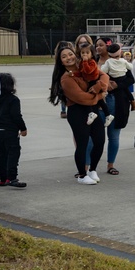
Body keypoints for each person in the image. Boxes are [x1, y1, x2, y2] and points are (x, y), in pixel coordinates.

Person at [49, 44, 108, 184]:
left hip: (93, 110)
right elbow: (82, 98)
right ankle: (82, 175)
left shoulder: (84, 68)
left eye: (70, 54)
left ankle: (92, 170)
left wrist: (99, 86)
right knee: (82, 144)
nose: (68, 58)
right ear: (61, 61)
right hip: (78, 112)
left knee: (100, 141)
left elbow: (104, 76)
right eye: (64, 57)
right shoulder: (66, 79)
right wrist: (100, 96)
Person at [96, 39, 134, 175]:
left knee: (114, 136)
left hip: (118, 102)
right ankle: (88, 166)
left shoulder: (122, 62)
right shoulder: (94, 62)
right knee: (94, 137)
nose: (99, 48)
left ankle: (110, 165)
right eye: (97, 45)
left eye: (102, 45)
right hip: (99, 102)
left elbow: (131, 79)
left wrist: (117, 84)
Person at [0, 72, 28, 188]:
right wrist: (23, 128)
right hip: (10, 131)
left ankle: (2, 178)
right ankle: (12, 177)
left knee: (1, 154)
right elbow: (16, 115)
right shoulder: (13, 100)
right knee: (13, 153)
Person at [77, 43, 113, 125]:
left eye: (87, 52)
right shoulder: (82, 62)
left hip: (94, 81)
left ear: (92, 54)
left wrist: (85, 61)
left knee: (88, 97)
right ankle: (108, 115)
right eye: (83, 53)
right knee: (100, 100)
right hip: (89, 81)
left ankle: (91, 113)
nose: (85, 55)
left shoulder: (92, 62)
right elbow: (81, 72)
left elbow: (88, 70)